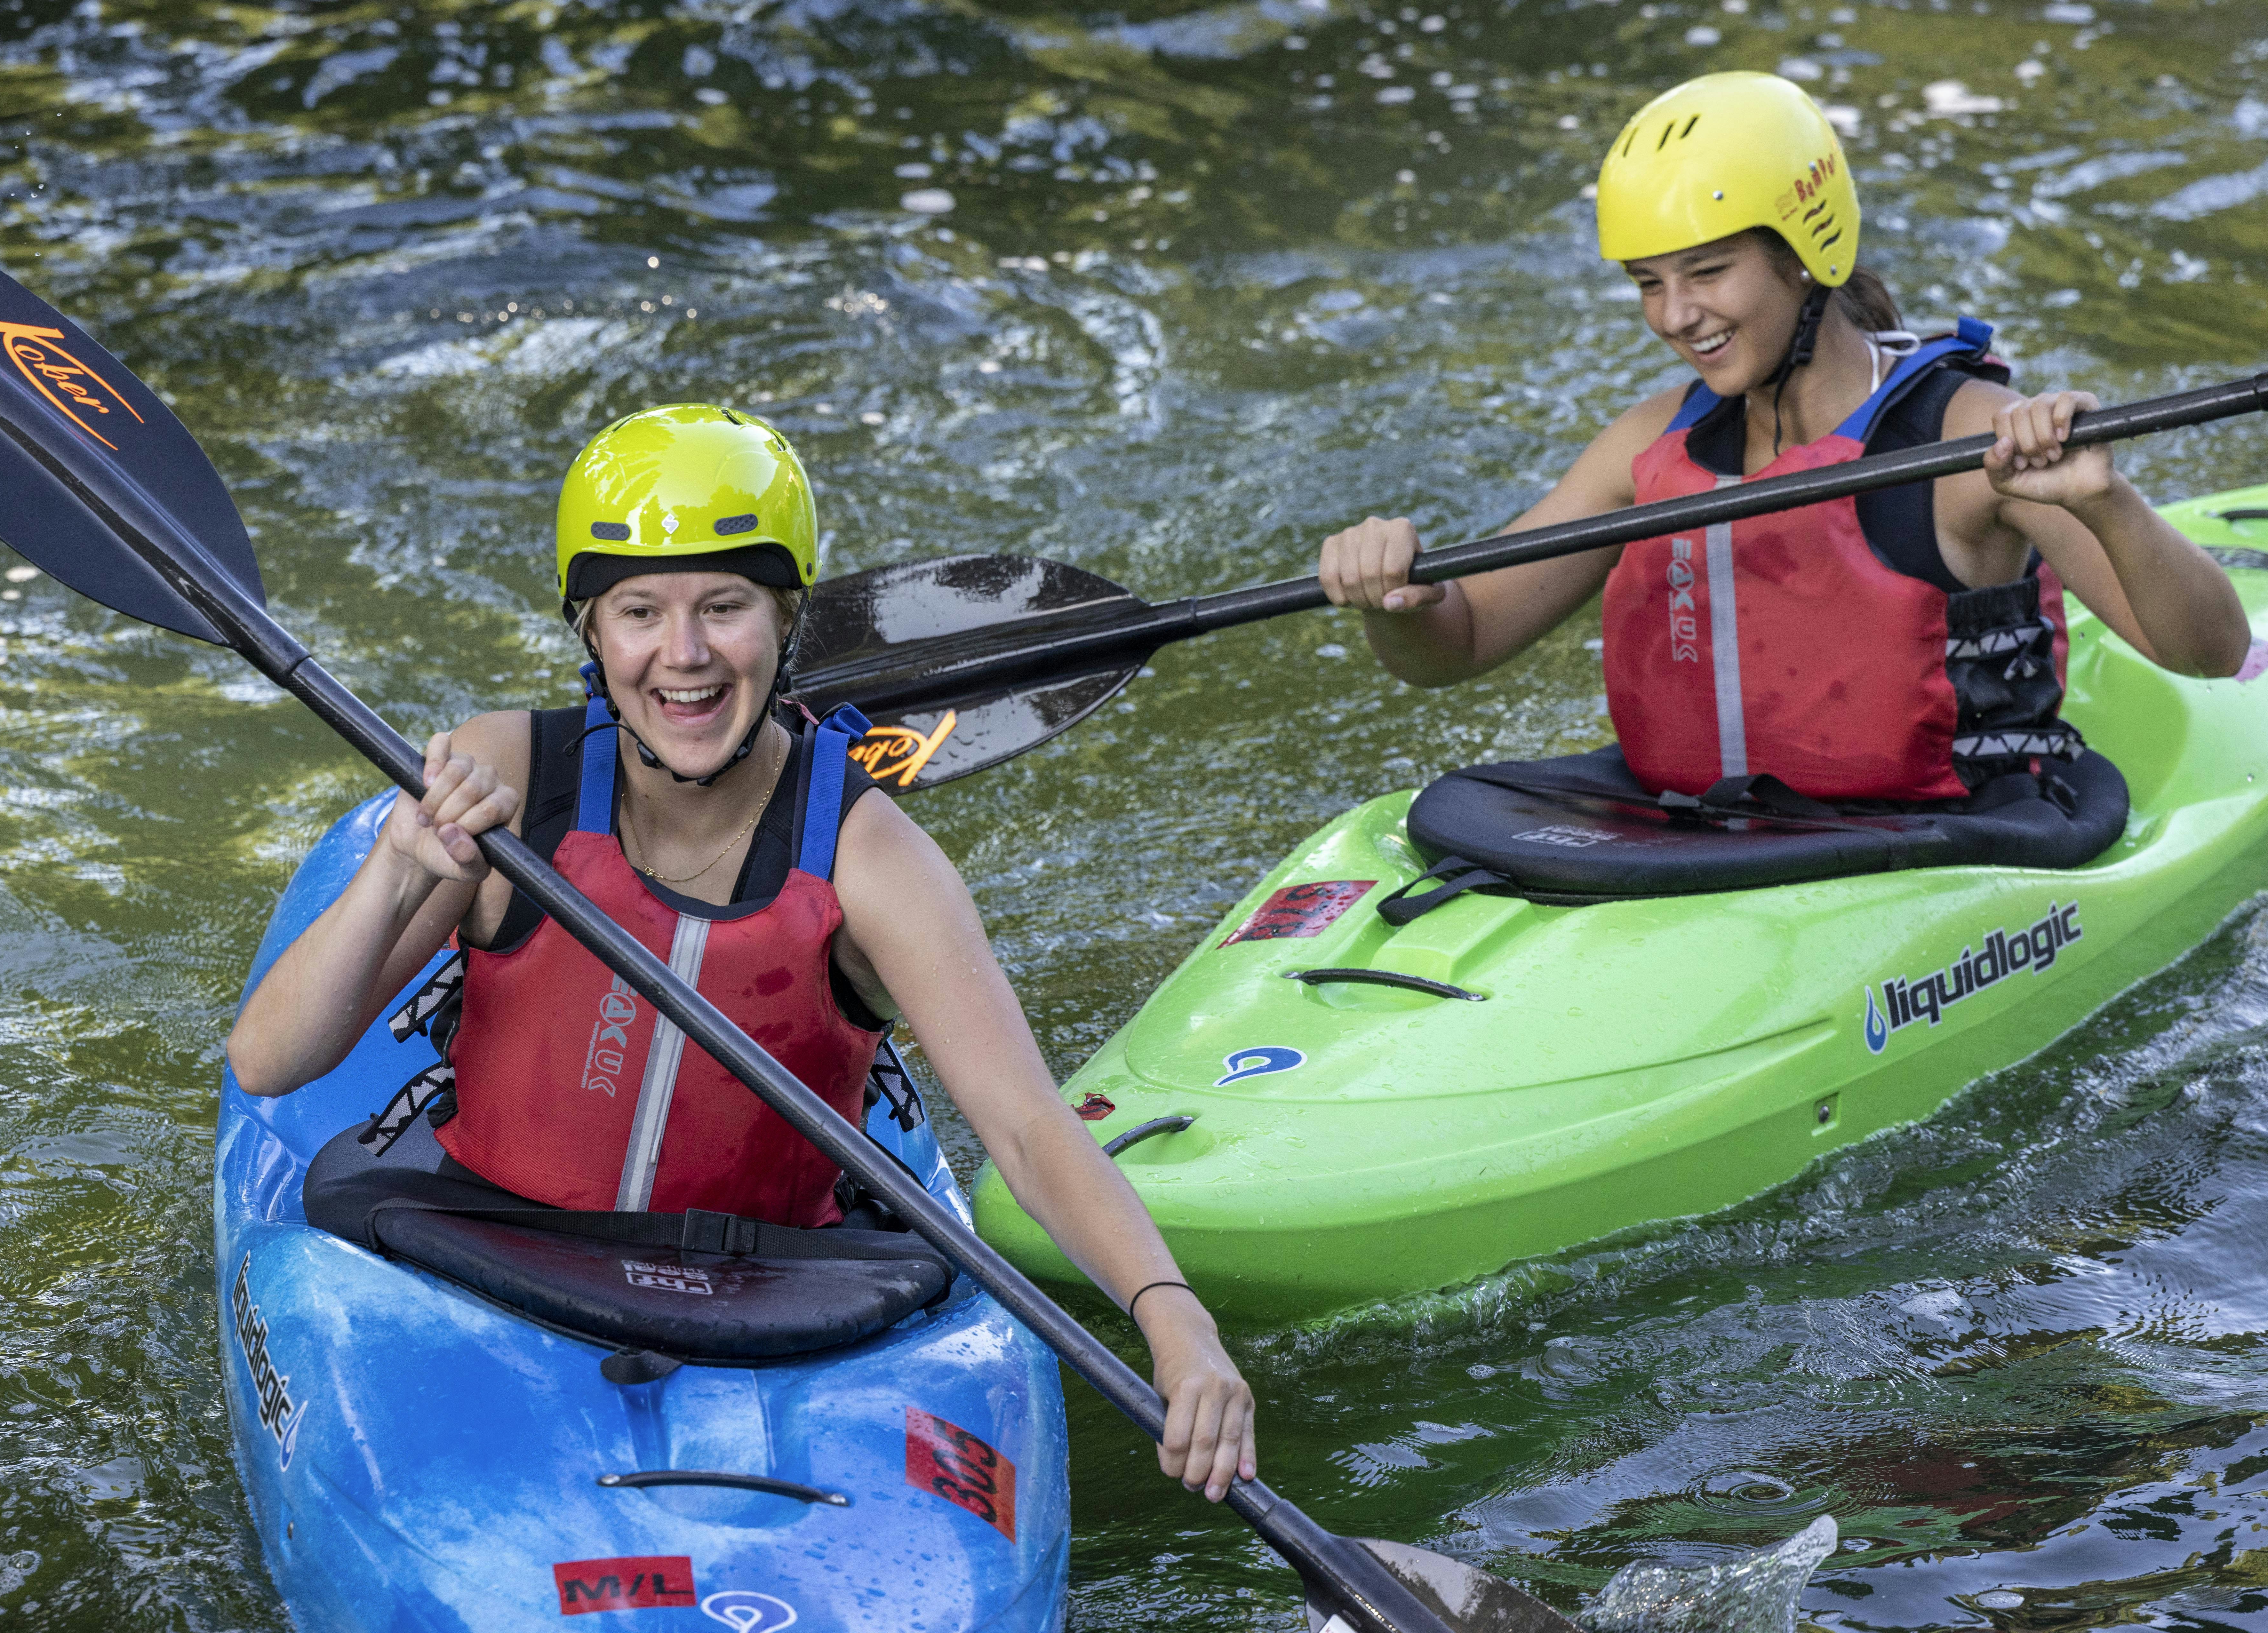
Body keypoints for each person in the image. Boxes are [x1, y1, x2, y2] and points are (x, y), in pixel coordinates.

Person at [225, 404, 1256, 1499]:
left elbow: (1027, 1125)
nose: (685, 655)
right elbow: (271, 1062)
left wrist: (1172, 1315)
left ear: (786, 618)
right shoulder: (505, 783)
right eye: (640, 612)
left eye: (725, 607)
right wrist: (398, 869)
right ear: (589, 629)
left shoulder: (874, 862)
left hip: (775, 1293)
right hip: (481, 1257)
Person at [1318, 71, 2250, 806]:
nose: (1676, 315)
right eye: (1648, 282)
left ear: (1807, 256)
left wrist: (2106, 503)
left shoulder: (1967, 442)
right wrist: (1393, 599)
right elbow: (1459, 644)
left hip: (1938, 832)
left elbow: (2209, 653)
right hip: (1702, 827)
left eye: (1709, 272)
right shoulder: (1650, 446)